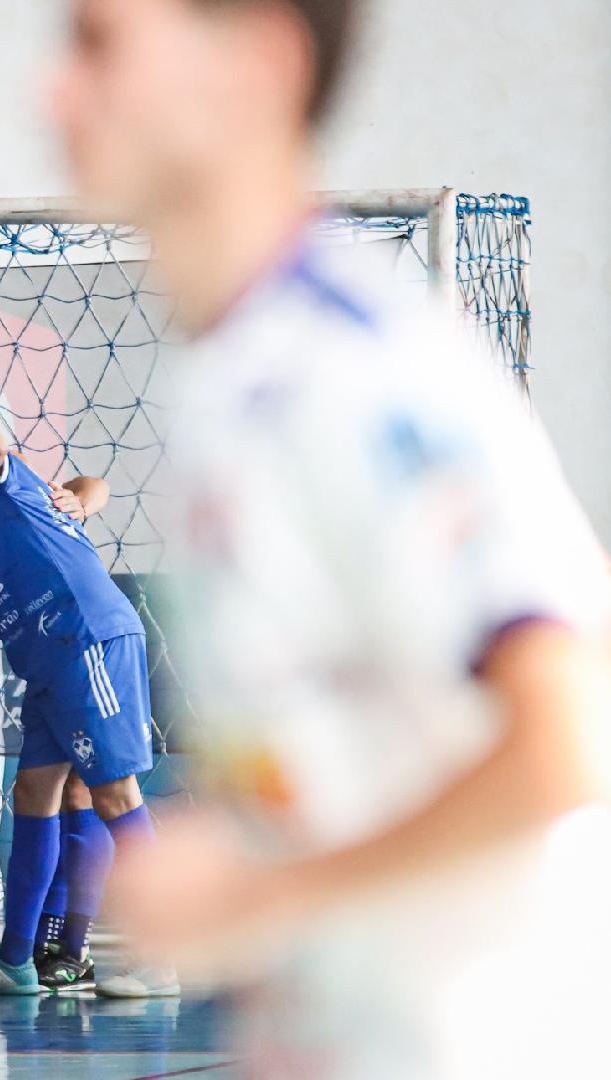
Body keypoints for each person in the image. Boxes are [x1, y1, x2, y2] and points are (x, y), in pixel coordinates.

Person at [50, 0, 611, 1072]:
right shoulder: (231, 375)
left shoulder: (356, 371)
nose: (55, 92)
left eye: (101, 43)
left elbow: (568, 733)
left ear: (258, 66)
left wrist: (259, 896)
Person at [0, 356, 164, 997]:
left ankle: (161, 954)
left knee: (113, 795)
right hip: (43, 660)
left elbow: (9, 450)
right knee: (35, 794)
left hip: (86, 636)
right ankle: (18, 960)